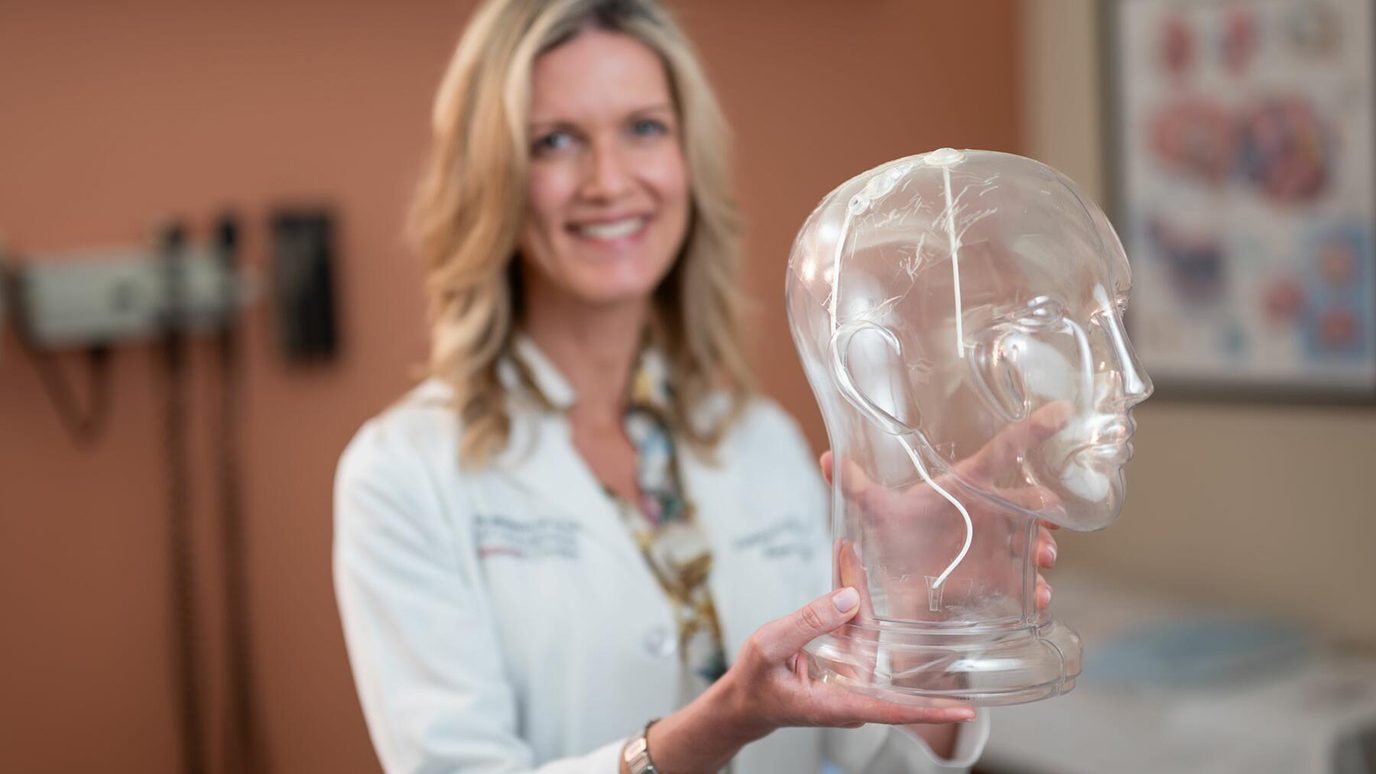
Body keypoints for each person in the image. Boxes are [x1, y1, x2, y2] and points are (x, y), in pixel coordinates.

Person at [332, 1, 1057, 771]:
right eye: (556, 141)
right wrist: (712, 728)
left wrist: (921, 626)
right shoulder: (402, 472)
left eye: (643, 128)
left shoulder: (761, 441)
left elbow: (868, 763)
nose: (609, 181)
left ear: (687, 158)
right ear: (494, 178)